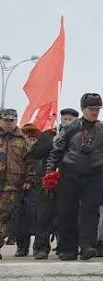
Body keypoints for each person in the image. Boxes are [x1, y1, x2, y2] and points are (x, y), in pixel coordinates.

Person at [45, 93, 103, 261]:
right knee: (67, 212)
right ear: (83, 109)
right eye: (92, 109)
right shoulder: (70, 128)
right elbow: (56, 151)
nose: (95, 112)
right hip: (69, 175)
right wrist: (50, 172)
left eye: (98, 109)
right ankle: (67, 249)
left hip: (95, 177)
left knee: (90, 213)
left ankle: (87, 246)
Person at [31, 108, 79, 259]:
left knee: (66, 216)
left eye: (71, 119)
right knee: (44, 216)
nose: (67, 121)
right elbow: (35, 152)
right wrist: (52, 142)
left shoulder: (79, 136)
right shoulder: (49, 135)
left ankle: (65, 247)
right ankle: (41, 248)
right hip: (48, 181)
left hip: (69, 181)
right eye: (65, 118)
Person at [0, 109, 34, 260]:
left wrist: (28, 179)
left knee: (5, 215)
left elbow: (30, 162)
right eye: (6, 120)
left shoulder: (23, 140)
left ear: (16, 121)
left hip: (12, 184)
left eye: (11, 120)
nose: (8, 123)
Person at [13, 123, 41, 257]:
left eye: (33, 139)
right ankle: (21, 247)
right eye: (27, 138)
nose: (30, 142)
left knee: (38, 220)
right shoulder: (18, 150)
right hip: (19, 188)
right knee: (21, 219)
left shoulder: (41, 152)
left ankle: (38, 247)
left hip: (38, 189)